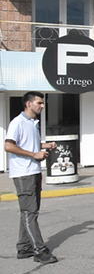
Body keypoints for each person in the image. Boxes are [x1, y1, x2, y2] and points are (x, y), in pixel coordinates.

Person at [5, 91, 58, 264]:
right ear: (28, 104)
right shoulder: (18, 122)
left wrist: (45, 145)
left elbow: (30, 144)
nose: (42, 106)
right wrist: (33, 154)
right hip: (23, 174)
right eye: (39, 103)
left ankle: (24, 247)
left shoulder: (33, 123)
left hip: (33, 172)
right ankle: (39, 251)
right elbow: (9, 146)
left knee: (28, 212)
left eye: (42, 103)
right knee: (30, 213)